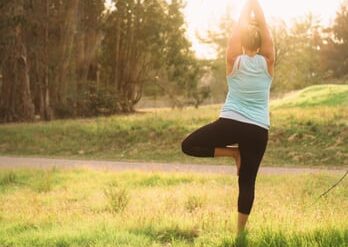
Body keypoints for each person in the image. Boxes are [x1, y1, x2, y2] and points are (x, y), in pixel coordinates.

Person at [181, 0, 275, 235]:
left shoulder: (233, 60)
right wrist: (256, 6)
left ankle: (232, 152)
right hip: (257, 129)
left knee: (188, 145)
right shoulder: (268, 62)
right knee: (247, 182)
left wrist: (246, 7)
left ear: (242, 42)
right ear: (262, 44)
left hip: (230, 123)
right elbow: (264, 25)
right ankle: (240, 234)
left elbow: (235, 31)